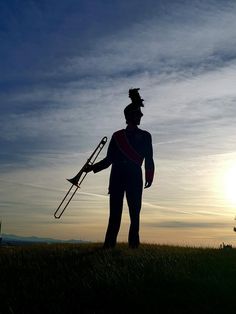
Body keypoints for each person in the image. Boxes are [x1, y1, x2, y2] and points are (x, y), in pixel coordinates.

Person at [86, 89, 155, 248]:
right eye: (138, 113)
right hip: (119, 176)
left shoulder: (145, 135)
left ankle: (133, 246)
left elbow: (149, 159)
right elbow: (109, 160)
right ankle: (109, 245)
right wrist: (92, 168)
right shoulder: (117, 136)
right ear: (131, 116)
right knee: (115, 214)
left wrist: (149, 176)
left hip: (132, 176)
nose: (141, 116)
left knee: (134, 214)